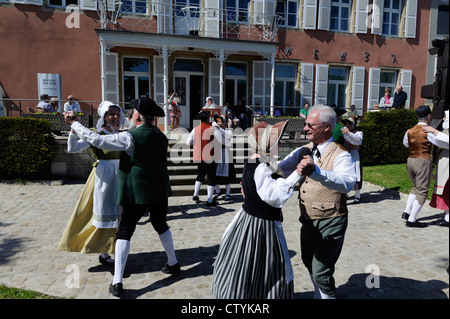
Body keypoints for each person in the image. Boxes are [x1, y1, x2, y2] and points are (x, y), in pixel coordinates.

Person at [64, 97, 180, 297]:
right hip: (159, 190)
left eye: (131, 112)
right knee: (161, 225)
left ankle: (117, 281)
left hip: (137, 191)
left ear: (136, 116)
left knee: (124, 231)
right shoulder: (160, 135)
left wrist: (74, 123)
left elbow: (99, 141)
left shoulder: (130, 136)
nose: (122, 116)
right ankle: (173, 262)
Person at [213, 120, 304, 299]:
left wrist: (298, 156)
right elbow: (275, 197)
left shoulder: (257, 160)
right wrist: (298, 174)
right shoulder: (261, 166)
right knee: (267, 265)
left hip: (248, 220)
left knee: (249, 265)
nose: (279, 144)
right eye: (275, 141)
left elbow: (277, 170)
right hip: (261, 226)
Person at [278, 104, 356, 299]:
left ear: (326, 128)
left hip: (331, 220)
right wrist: (255, 173)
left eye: (310, 126)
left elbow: (347, 184)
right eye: (306, 124)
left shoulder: (341, 154)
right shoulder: (304, 149)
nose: (305, 129)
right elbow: (281, 168)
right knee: (307, 260)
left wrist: (316, 172)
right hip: (308, 218)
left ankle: (326, 295)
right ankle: (318, 294)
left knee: (321, 269)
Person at [58, 101, 126, 267]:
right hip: (104, 177)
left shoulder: (124, 134)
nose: (115, 117)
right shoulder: (97, 134)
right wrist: (73, 131)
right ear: (104, 116)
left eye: (118, 114)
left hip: (121, 176)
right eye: (112, 114)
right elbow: (73, 149)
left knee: (119, 216)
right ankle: (106, 252)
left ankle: (108, 253)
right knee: (106, 215)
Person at [401, 105, 444, 228]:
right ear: (428, 116)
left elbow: (405, 144)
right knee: (422, 191)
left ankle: (407, 212)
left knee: (415, 187)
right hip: (423, 161)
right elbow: (439, 142)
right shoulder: (427, 130)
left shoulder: (409, 130)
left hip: (410, 160)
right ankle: (412, 220)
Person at [186, 111, 222, 206]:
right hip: (210, 155)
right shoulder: (212, 129)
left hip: (199, 155)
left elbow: (188, 142)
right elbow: (220, 140)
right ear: (207, 119)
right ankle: (210, 200)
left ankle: (195, 195)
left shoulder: (195, 129)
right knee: (211, 177)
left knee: (200, 174)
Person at [422, 110, 449, 227]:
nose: (443, 119)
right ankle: (447, 216)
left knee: (447, 188)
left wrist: (434, 131)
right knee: (446, 189)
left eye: (445, 117)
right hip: (445, 158)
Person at [212, 114, 236, 201]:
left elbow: (227, 136)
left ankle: (228, 193)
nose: (219, 124)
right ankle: (218, 191)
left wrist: (220, 129)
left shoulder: (227, 130)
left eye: (220, 122)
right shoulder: (215, 130)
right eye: (217, 122)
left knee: (227, 174)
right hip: (217, 152)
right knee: (214, 174)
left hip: (226, 153)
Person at [341, 117, 364, 203]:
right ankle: (345, 193)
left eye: (349, 124)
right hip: (346, 155)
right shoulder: (344, 133)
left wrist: (349, 133)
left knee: (356, 173)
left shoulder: (359, 133)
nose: (347, 125)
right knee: (346, 173)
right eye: (346, 124)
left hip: (354, 155)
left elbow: (358, 141)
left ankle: (357, 195)